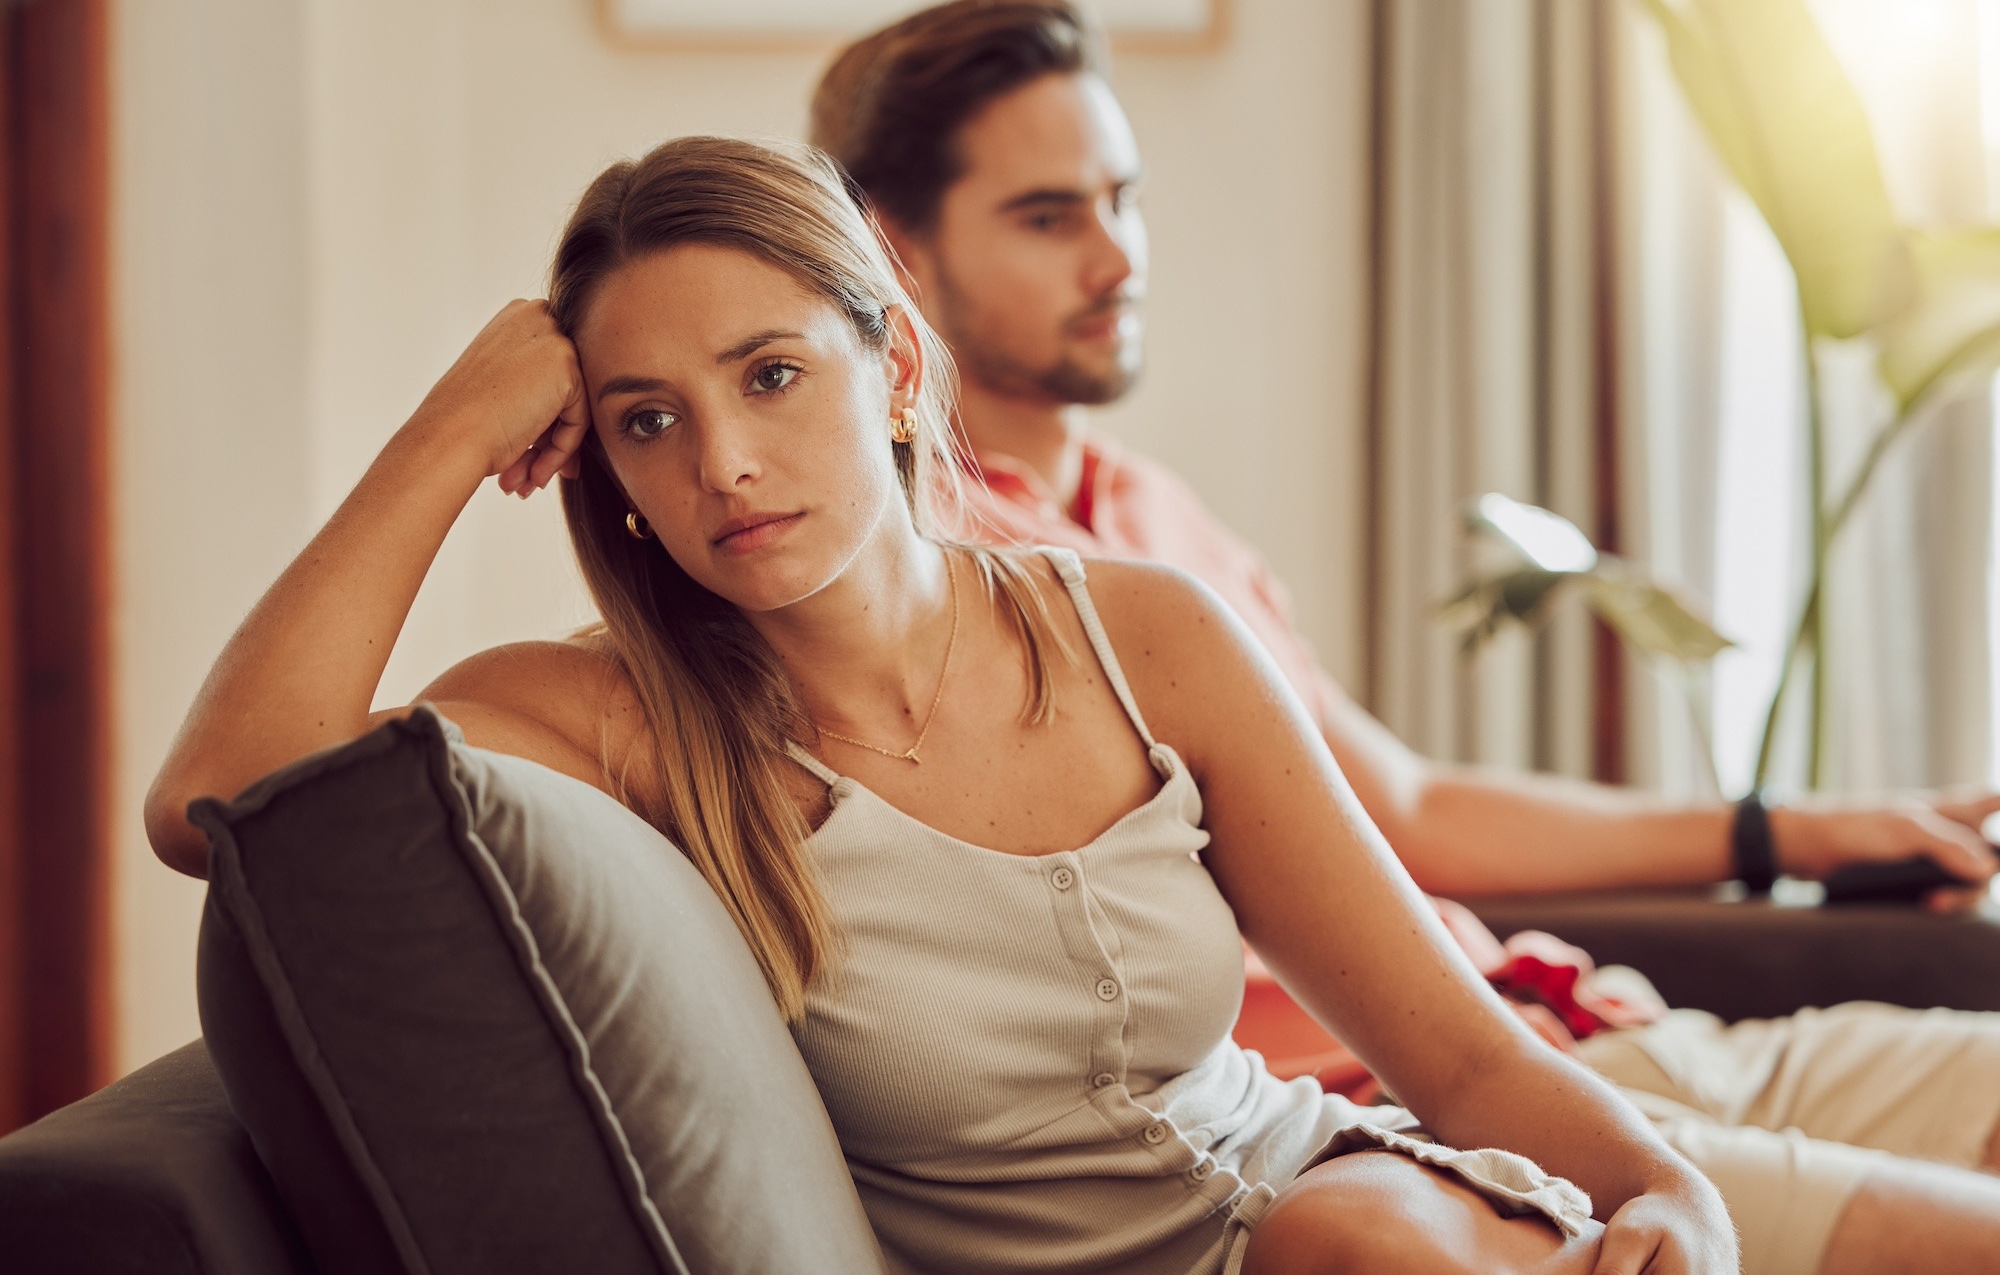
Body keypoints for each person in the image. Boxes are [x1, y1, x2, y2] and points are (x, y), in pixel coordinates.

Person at [146, 136, 1733, 1273]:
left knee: (1364, 1239)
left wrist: (1676, 1193)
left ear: (896, 367)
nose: (725, 466)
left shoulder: (1144, 635)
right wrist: (446, 434)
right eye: (646, 420)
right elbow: (219, 803)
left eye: (772, 375)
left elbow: (1456, 1060)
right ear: (602, 468)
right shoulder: (604, 724)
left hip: (1347, 1213)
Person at [808, 0, 2000, 1275]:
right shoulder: (941, 592)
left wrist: (1785, 831)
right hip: (1424, 1118)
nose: (1118, 257)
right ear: (894, 254)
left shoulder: (1148, 510)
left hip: (1574, 1029)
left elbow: (1405, 801)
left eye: (1123, 198)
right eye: (1049, 218)